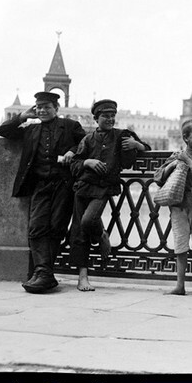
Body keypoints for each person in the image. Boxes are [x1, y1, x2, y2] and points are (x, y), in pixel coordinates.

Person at [0, 91, 87, 293]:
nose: (43, 110)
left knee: (56, 226)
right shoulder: (31, 129)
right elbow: (3, 131)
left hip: (64, 184)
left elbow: (86, 143)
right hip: (39, 184)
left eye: (47, 107)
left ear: (57, 109)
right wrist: (22, 116)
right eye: (39, 107)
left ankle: (43, 272)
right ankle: (43, 272)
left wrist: (74, 150)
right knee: (36, 226)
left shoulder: (71, 126)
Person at [68, 99, 150, 291]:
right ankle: (83, 278)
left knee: (88, 221)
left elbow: (145, 150)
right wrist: (87, 162)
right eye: (106, 116)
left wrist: (136, 145)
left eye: (113, 116)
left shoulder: (122, 135)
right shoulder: (87, 139)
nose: (110, 119)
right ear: (96, 118)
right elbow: (75, 165)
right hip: (83, 186)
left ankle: (101, 234)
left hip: (104, 187)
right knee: (79, 231)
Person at [154, 119, 192, 297]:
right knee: (180, 246)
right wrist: (174, 164)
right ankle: (180, 285)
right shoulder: (175, 155)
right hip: (179, 206)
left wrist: (188, 162)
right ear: (186, 137)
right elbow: (158, 177)